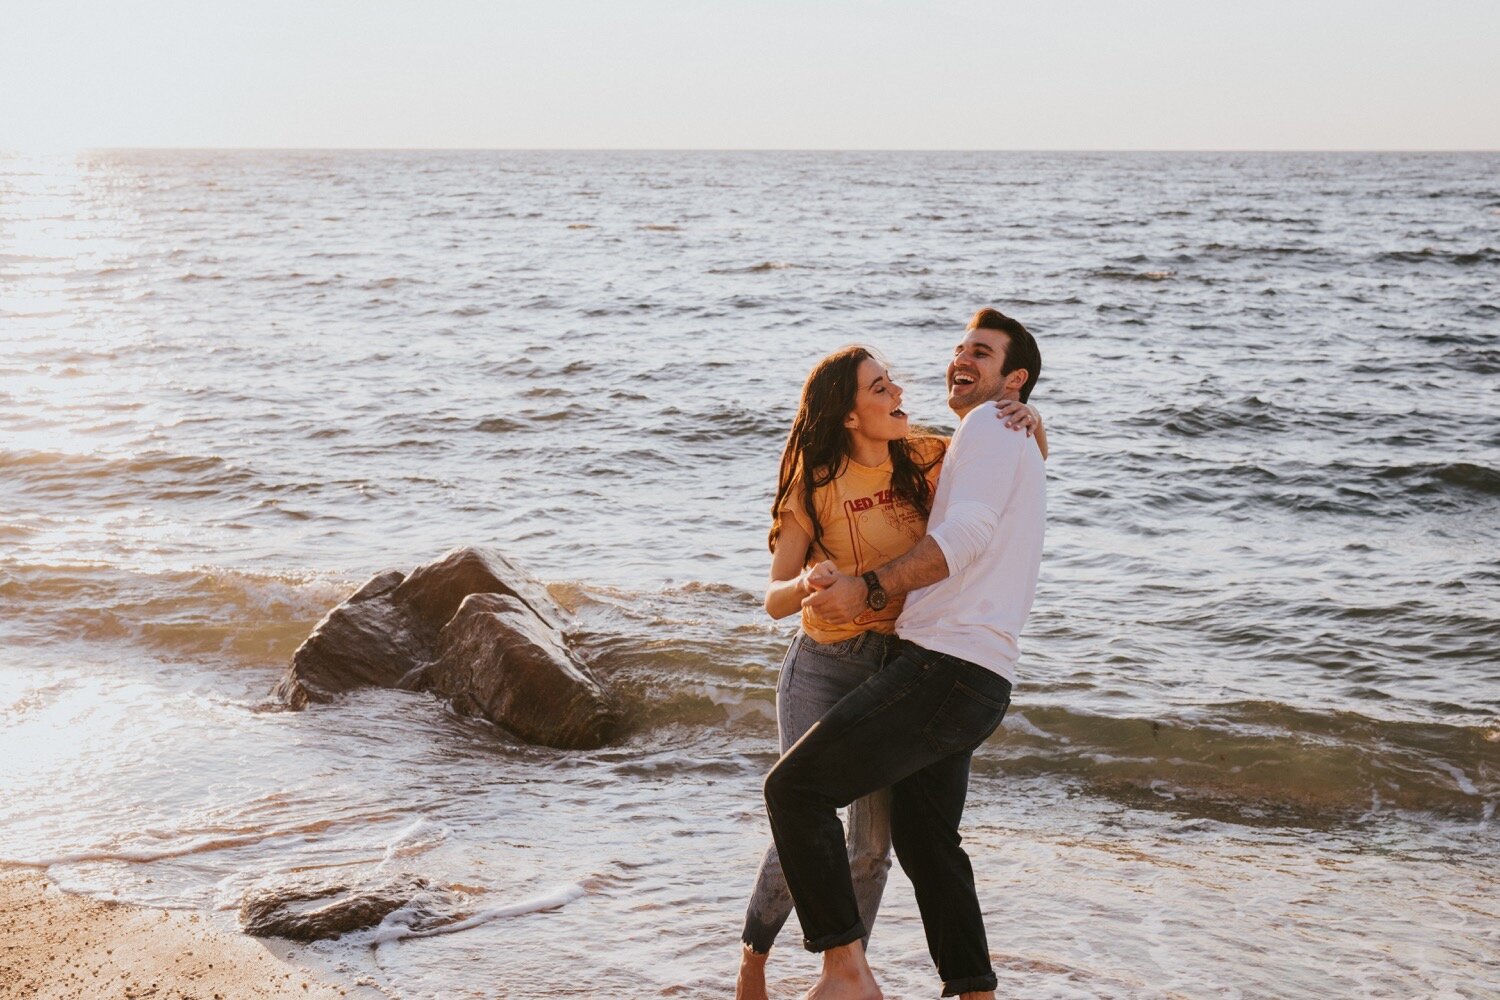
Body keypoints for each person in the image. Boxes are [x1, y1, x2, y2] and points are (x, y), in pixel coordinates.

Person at [737, 342, 1046, 1000]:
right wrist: (807, 582)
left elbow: (1002, 479)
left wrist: (1030, 418)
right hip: (823, 662)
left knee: (872, 846)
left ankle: (851, 976)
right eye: (879, 387)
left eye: (891, 381)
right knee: (798, 813)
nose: (898, 391)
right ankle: (754, 957)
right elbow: (770, 598)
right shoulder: (813, 485)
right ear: (850, 416)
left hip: (898, 663)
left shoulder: (926, 457)